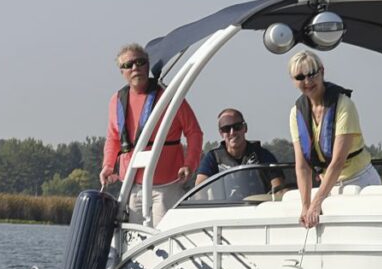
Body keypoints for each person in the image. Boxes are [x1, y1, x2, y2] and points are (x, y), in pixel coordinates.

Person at [99, 42, 203, 226]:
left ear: (147, 65)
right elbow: (113, 138)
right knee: (133, 238)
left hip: (167, 185)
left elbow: (194, 132)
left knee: (163, 235)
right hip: (132, 185)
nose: (135, 68)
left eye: (139, 62)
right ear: (122, 72)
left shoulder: (170, 97)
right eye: (128, 65)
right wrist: (108, 166)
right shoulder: (116, 101)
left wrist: (190, 164)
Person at [288, 49, 379, 229]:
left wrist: (316, 203)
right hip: (328, 187)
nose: (307, 81)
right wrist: (306, 205)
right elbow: (302, 166)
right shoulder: (295, 113)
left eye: (311, 74)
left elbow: (337, 161)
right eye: (299, 77)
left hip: (359, 181)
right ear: (293, 81)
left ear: (322, 72)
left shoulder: (344, 105)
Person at [195, 108, 284, 194]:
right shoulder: (212, 158)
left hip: (259, 207)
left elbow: (278, 189)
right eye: (226, 129)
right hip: (224, 208)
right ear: (221, 133)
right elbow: (199, 190)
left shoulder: (263, 155)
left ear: (245, 128)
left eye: (237, 127)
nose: (232, 132)